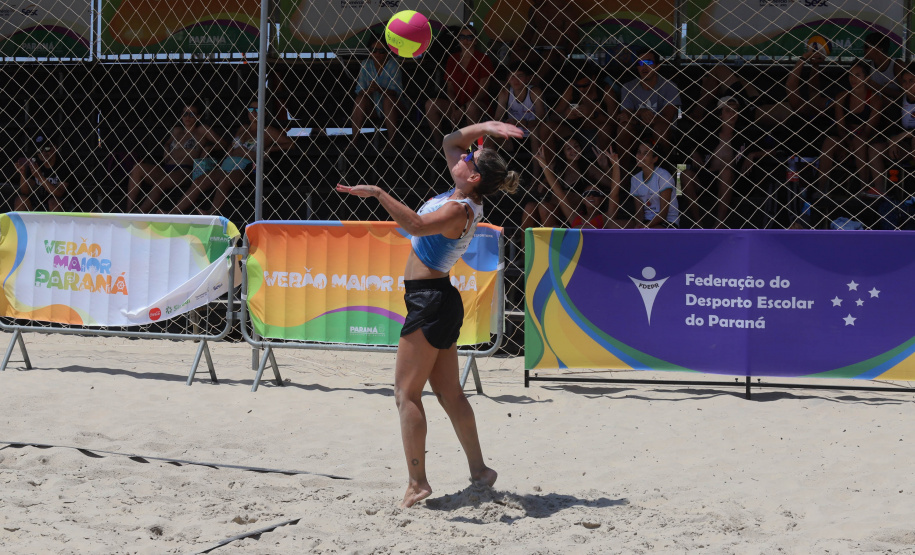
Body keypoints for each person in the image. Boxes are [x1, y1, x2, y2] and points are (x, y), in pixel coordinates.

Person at [335, 120, 524, 508]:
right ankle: (480, 471)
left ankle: (417, 483)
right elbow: (450, 138)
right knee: (450, 394)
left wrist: (379, 193)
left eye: (470, 156)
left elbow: (416, 225)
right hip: (438, 298)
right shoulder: (463, 191)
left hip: (430, 301)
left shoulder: (458, 209)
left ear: (472, 175)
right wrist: (485, 125)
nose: (463, 153)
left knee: (406, 394)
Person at [175, 100, 291, 215]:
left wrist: (270, 149)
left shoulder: (267, 130)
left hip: (246, 168)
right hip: (227, 165)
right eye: (251, 110)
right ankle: (174, 211)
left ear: (264, 113)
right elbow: (231, 145)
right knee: (199, 181)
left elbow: (290, 143)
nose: (253, 113)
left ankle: (211, 212)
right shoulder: (242, 128)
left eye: (257, 110)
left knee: (225, 181)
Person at [128, 103, 224, 213]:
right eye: (185, 113)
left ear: (198, 116)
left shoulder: (202, 130)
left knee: (160, 183)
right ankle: (128, 211)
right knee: (138, 168)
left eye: (192, 114)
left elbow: (223, 143)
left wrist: (208, 148)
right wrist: (166, 147)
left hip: (184, 170)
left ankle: (139, 214)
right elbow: (168, 142)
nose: (187, 117)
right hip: (167, 168)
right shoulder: (177, 131)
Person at [424, 26, 494, 152]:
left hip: (479, 105)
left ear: (475, 40)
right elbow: (450, 87)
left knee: (472, 107)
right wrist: (454, 107)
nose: (465, 40)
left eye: (469, 37)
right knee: (431, 104)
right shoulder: (453, 58)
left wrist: (463, 109)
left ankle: (474, 149)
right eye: (462, 37)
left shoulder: (483, 58)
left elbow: (483, 89)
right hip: (457, 104)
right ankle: (439, 144)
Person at [818, 60, 883, 196]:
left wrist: (853, 143)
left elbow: (868, 130)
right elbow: (840, 127)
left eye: (858, 75)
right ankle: (820, 189)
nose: (853, 79)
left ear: (866, 77)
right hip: (846, 137)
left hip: (866, 138)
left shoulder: (875, 99)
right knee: (830, 141)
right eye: (850, 75)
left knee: (860, 141)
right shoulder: (842, 97)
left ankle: (863, 187)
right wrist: (848, 142)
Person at [531, 139, 623, 228]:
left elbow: (614, 193)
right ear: (582, 199)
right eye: (586, 194)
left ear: (603, 199)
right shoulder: (574, 218)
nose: (590, 196)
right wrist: (544, 166)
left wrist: (615, 166)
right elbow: (559, 193)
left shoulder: (607, 217)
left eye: (595, 193)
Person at [618, 50, 681, 164]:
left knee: (660, 128)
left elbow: (667, 118)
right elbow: (625, 116)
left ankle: (663, 171)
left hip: (663, 131)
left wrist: (638, 117)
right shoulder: (628, 87)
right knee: (623, 128)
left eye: (648, 62)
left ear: (657, 66)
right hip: (637, 130)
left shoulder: (670, 86)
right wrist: (640, 112)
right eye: (640, 63)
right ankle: (623, 175)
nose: (644, 67)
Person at [350, 35, 403, 152]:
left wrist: (380, 89)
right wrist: (368, 90)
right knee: (360, 99)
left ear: (387, 52)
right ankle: (354, 141)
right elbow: (359, 90)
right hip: (373, 107)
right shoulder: (365, 64)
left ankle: (392, 142)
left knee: (388, 99)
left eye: (382, 51)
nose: (377, 54)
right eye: (374, 50)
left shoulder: (393, 65)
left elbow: (396, 91)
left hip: (394, 107)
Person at [491, 62, 547, 154]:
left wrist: (521, 123)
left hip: (534, 134)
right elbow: (498, 118)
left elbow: (542, 119)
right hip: (512, 135)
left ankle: (536, 168)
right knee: (488, 135)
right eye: (512, 76)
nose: (516, 79)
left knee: (534, 131)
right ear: (508, 79)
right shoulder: (505, 93)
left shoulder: (534, 92)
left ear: (527, 78)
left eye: (520, 76)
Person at [629, 138, 679, 228]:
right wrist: (638, 225)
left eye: (645, 153)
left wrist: (646, 227)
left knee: (650, 234)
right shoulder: (635, 179)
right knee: (613, 225)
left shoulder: (664, 176)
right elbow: (639, 212)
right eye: (639, 152)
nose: (640, 156)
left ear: (655, 159)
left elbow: (663, 213)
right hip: (646, 221)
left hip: (667, 222)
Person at [14, 132, 69, 212]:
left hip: (62, 204)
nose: (43, 153)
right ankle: (23, 224)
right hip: (38, 202)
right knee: (20, 200)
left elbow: (59, 193)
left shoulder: (63, 165)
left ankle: (55, 225)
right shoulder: (35, 163)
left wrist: (39, 177)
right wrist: (23, 174)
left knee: (53, 202)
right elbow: (25, 191)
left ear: (55, 147)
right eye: (40, 150)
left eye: (47, 149)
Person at [863, 32, 901, 99]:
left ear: (879, 48)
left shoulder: (897, 65)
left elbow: (906, 95)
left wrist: (877, 86)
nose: (864, 49)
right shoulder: (868, 67)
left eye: (866, 46)